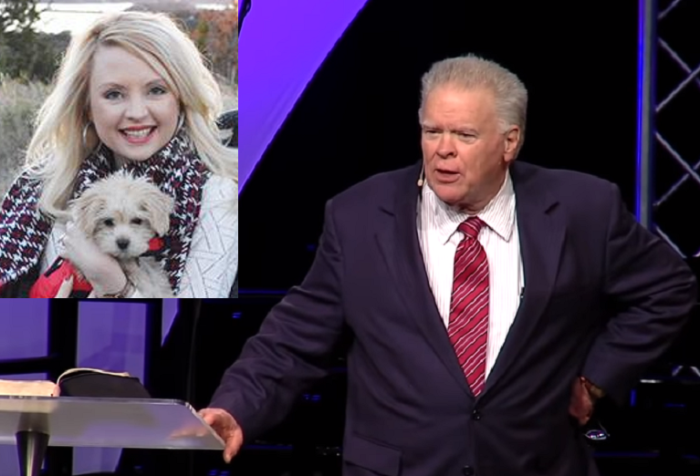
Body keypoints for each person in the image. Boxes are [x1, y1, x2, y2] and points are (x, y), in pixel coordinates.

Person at [200, 55, 697, 476]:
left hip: (537, 463)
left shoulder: (582, 208)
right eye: (432, 131)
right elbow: (294, 338)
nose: (443, 150)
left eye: (464, 134)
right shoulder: (359, 216)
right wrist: (237, 407)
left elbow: (670, 289)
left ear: (510, 142)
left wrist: (595, 380)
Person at [0, 11, 238, 298]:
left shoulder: (219, 193)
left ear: (182, 97)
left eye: (156, 90)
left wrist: (115, 285)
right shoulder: (46, 184)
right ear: (87, 105)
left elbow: (192, 333)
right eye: (114, 94)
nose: (137, 113)